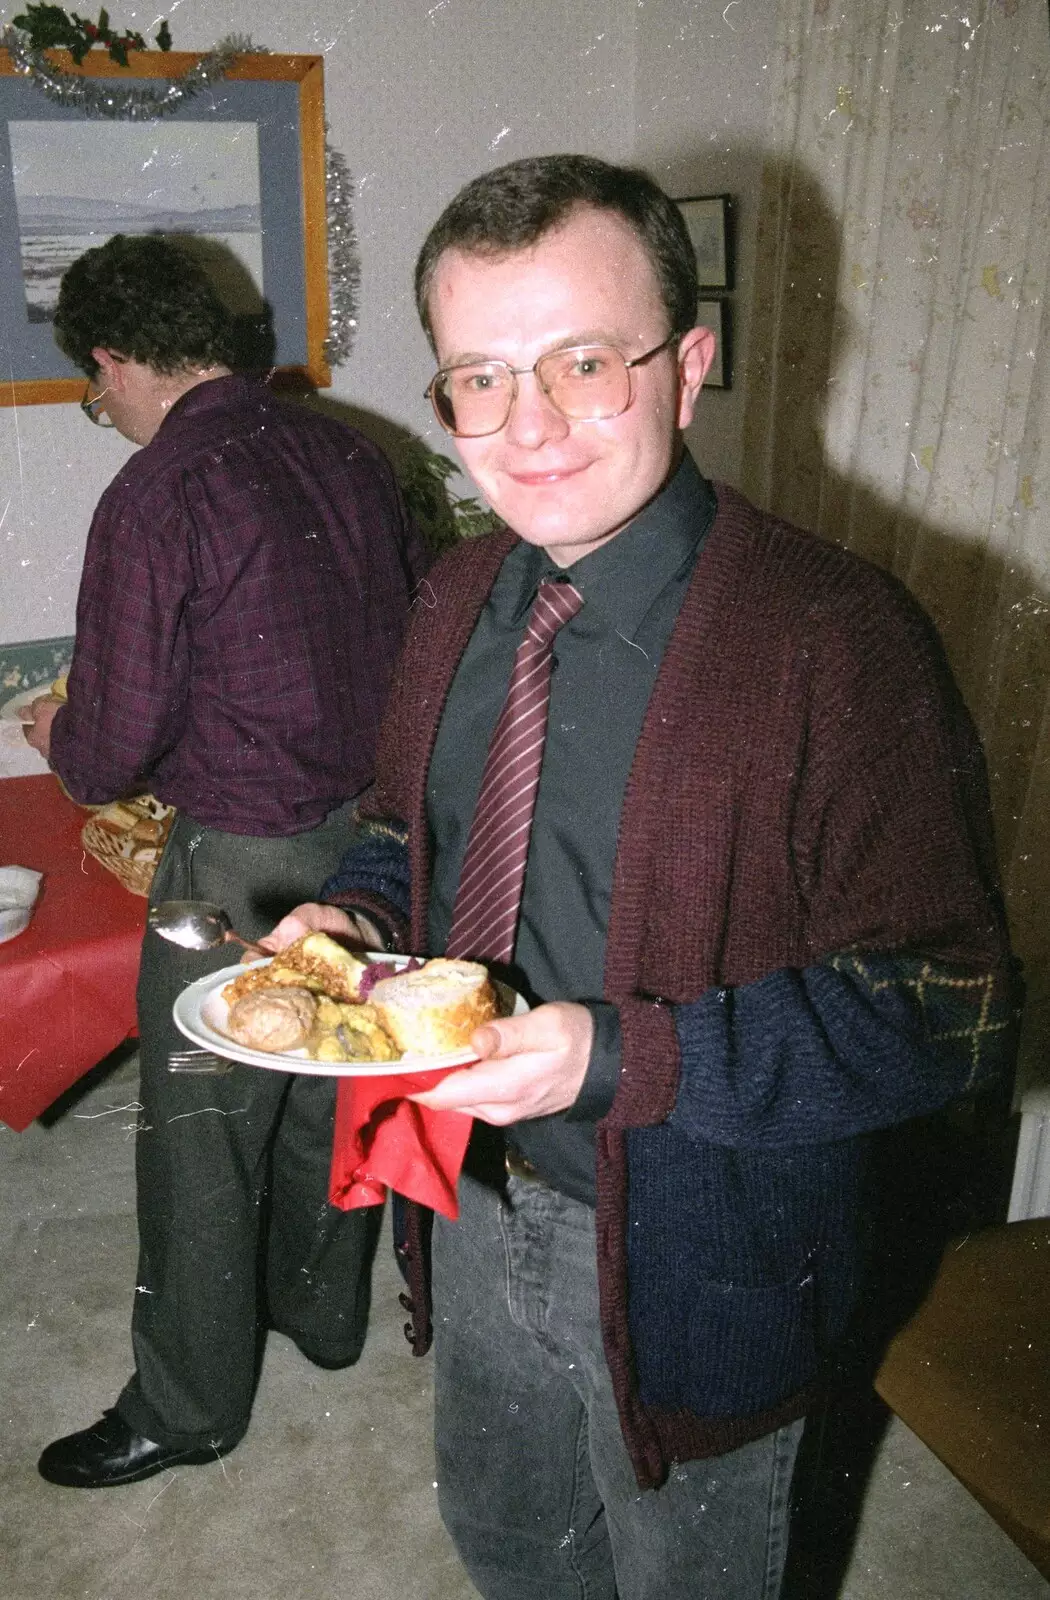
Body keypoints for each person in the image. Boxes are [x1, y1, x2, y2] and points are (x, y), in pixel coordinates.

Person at [262, 156, 1020, 1599]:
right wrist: (352, 918)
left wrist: (620, 1059)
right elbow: (400, 831)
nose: (527, 425)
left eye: (583, 361)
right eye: (479, 378)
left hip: (704, 1251)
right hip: (469, 1195)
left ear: (689, 363)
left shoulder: (835, 643)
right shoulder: (451, 602)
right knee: (508, 1542)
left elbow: (951, 1012)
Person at [24, 233, 428, 1490]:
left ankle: (188, 1403)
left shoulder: (157, 492)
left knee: (199, 1126)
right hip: (374, 838)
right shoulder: (351, 447)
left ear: (115, 359)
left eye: (97, 391)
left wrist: (59, 733)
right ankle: (320, 1316)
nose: (104, 413)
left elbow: (113, 745)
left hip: (241, 852)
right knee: (323, 1085)